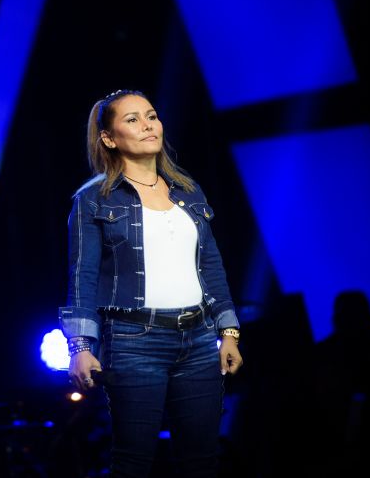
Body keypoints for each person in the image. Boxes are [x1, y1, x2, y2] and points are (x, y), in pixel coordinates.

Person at [58, 89, 243, 477]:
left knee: (202, 462)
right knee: (133, 463)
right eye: (132, 120)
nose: (147, 125)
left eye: (152, 116)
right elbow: (82, 276)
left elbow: (211, 266)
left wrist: (228, 332)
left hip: (198, 341)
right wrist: (80, 346)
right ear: (109, 138)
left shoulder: (188, 191)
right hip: (133, 342)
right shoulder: (94, 199)